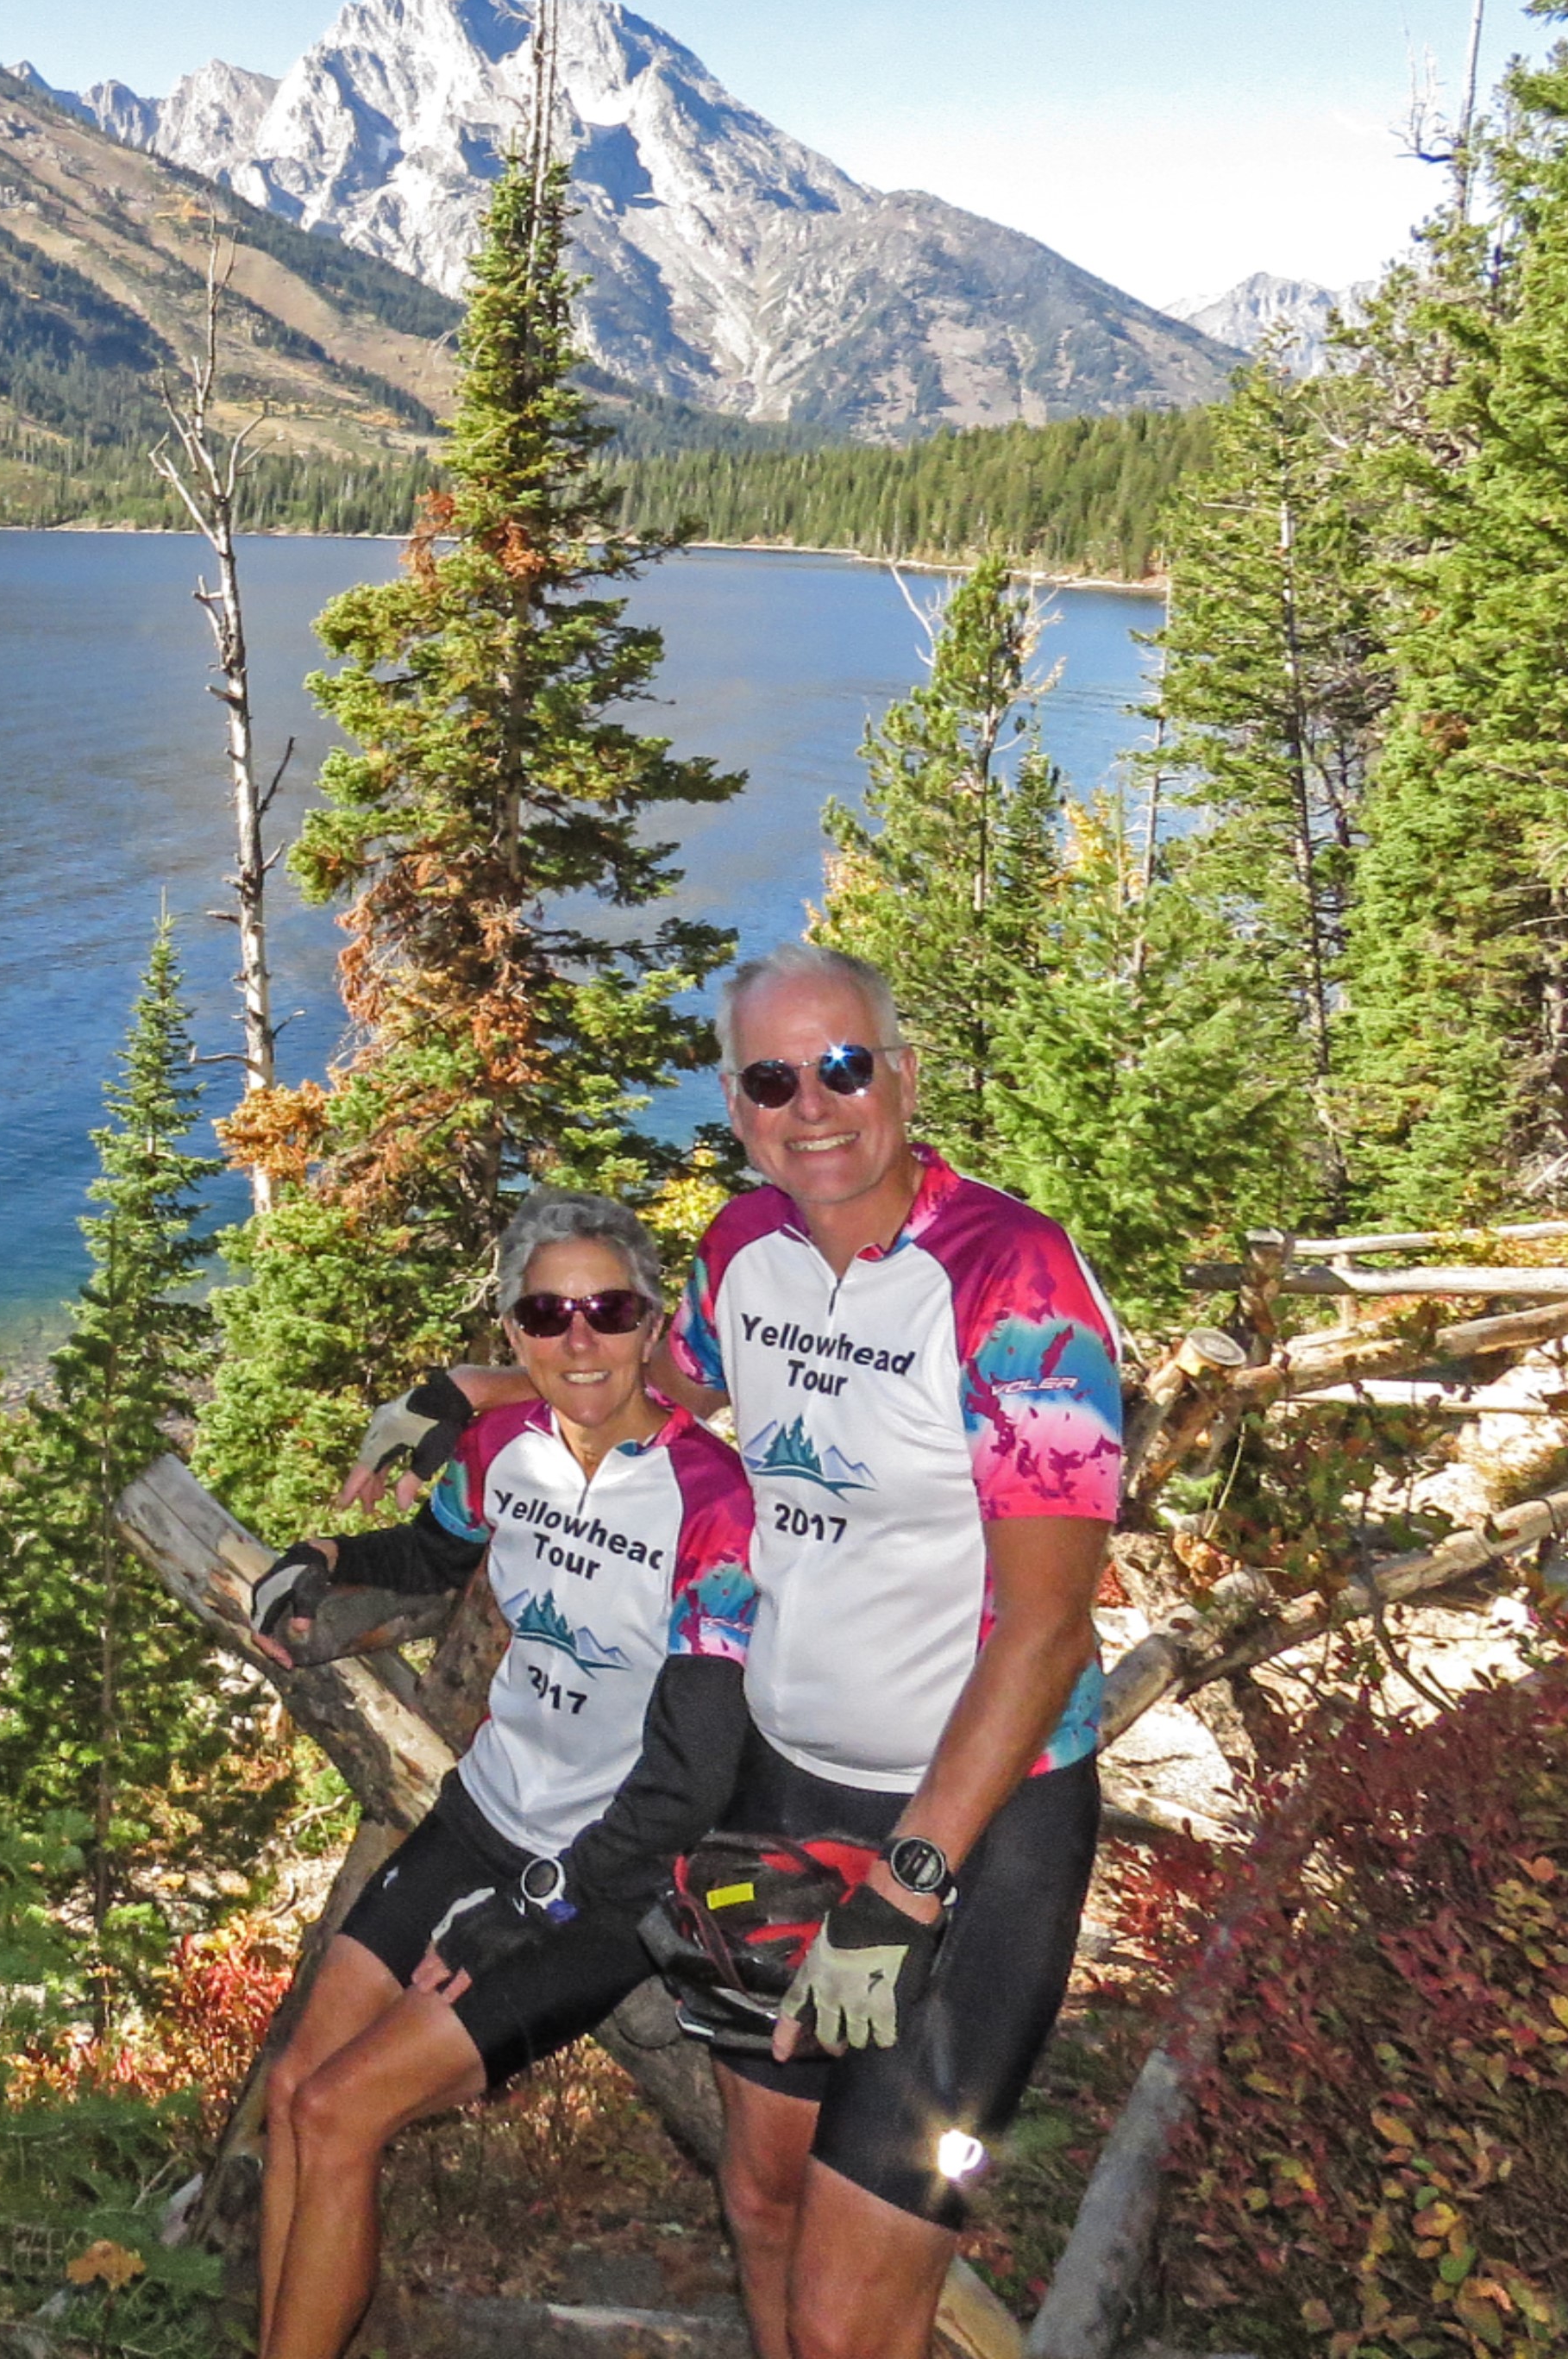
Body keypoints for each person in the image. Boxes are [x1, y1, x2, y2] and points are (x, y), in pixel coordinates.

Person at [335, 944, 1124, 2359]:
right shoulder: (743, 1247)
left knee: (848, 2313)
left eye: (843, 1068)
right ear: (736, 1105)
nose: (812, 1106)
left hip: (978, 1828)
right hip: (784, 1792)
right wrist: (477, 1387)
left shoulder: (1015, 1278)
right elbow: (660, 1389)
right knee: (761, 2201)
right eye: (773, 1079)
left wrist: (910, 1886)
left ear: (903, 1076)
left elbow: (1050, 1624)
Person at [245, 1192, 759, 2359]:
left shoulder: (716, 1508)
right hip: (484, 1815)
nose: (580, 1340)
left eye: (609, 1311)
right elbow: (434, 1548)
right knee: (294, 2094)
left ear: (653, 1324)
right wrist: (324, 1556)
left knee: (338, 2113)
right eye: (546, 1314)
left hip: (609, 1880)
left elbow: (693, 1778)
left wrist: (536, 1907)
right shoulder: (501, 1448)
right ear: (514, 1332)